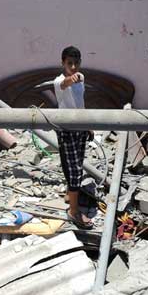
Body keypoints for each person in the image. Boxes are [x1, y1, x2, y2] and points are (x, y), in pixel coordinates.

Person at [53, 45, 93, 229]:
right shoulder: (58, 81)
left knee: (76, 164)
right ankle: (73, 211)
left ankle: (71, 194)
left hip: (80, 127)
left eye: (76, 63)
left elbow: (80, 102)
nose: (74, 67)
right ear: (63, 63)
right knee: (75, 170)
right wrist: (71, 78)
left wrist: (89, 126)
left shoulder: (81, 78)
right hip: (67, 129)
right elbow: (65, 84)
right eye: (70, 63)